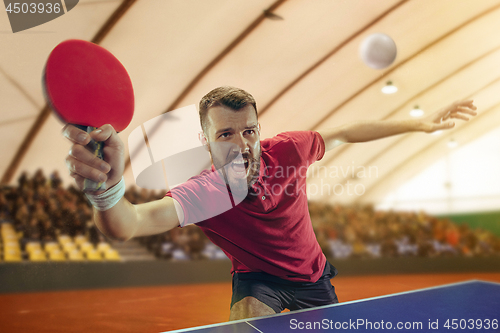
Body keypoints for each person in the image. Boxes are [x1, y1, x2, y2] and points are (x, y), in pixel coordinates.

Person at [62, 86, 476, 319]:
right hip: (258, 279)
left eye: (249, 131)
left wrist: (418, 123)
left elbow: (347, 131)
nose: (242, 144)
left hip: (314, 280)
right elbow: (129, 223)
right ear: (205, 141)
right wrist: (107, 189)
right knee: (249, 321)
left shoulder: (290, 150)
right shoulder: (208, 191)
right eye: (226, 134)